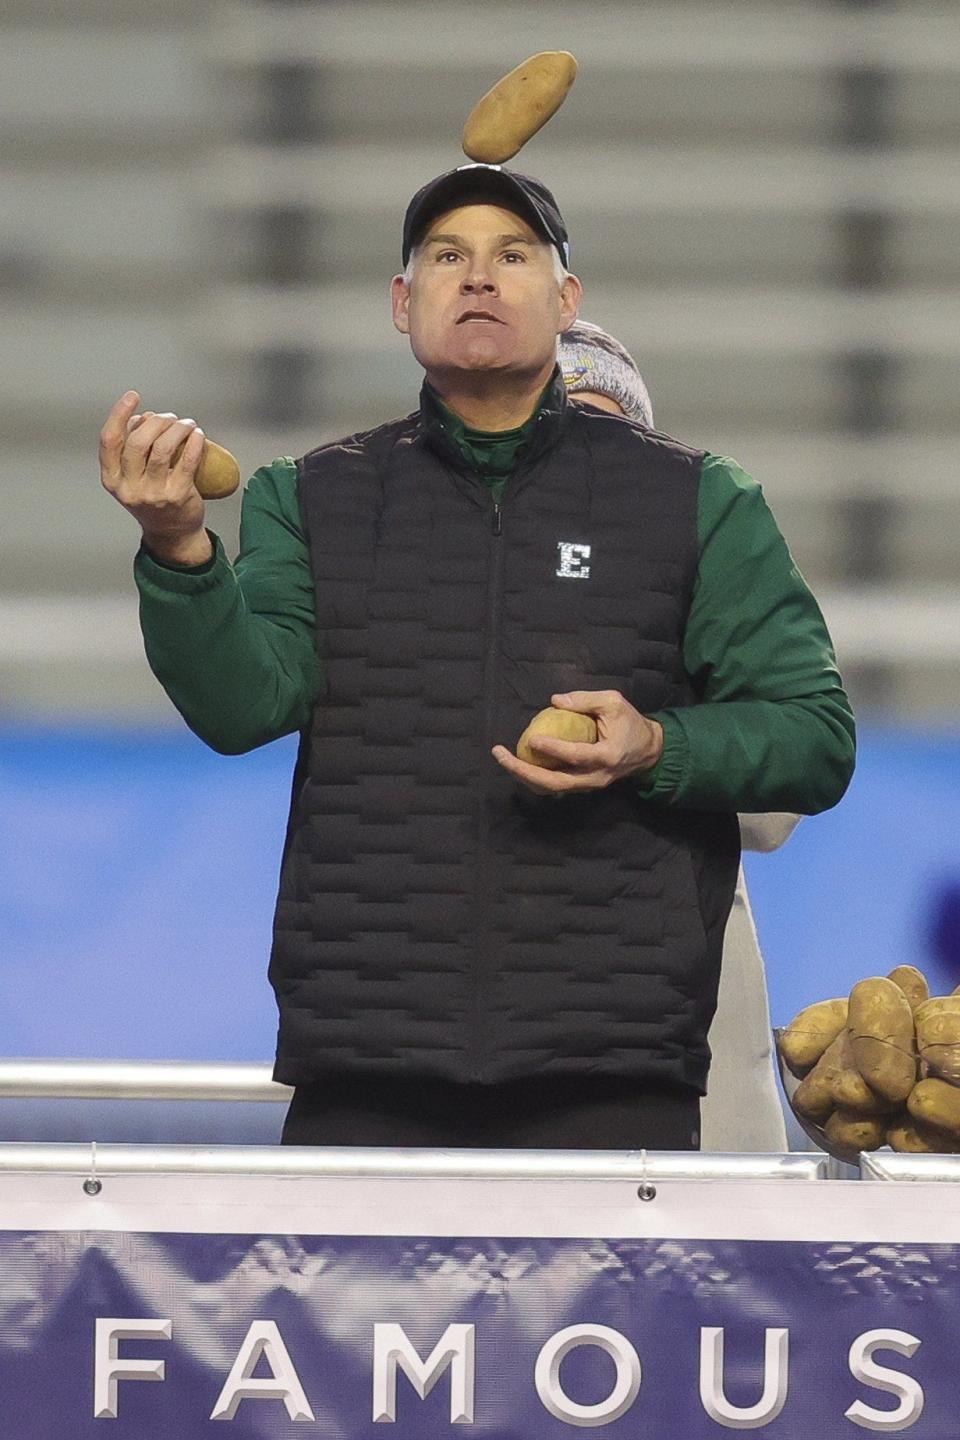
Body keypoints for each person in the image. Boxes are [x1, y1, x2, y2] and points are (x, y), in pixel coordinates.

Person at [99, 163, 855, 1151]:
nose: (481, 277)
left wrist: (655, 746)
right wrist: (179, 551)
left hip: (612, 1072)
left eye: (514, 256)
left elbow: (816, 737)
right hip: (367, 1066)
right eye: (448, 257)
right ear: (404, 303)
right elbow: (241, 706)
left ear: (566, 299)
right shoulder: (309, 498)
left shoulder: (701, 500)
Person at [558, 320, 795, 1151]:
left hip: (693, 1026)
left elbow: (779, 807)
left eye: (608, 429)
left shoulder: (708, 570)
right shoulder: (450, 593)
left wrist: (654, 742)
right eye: (557, 424)